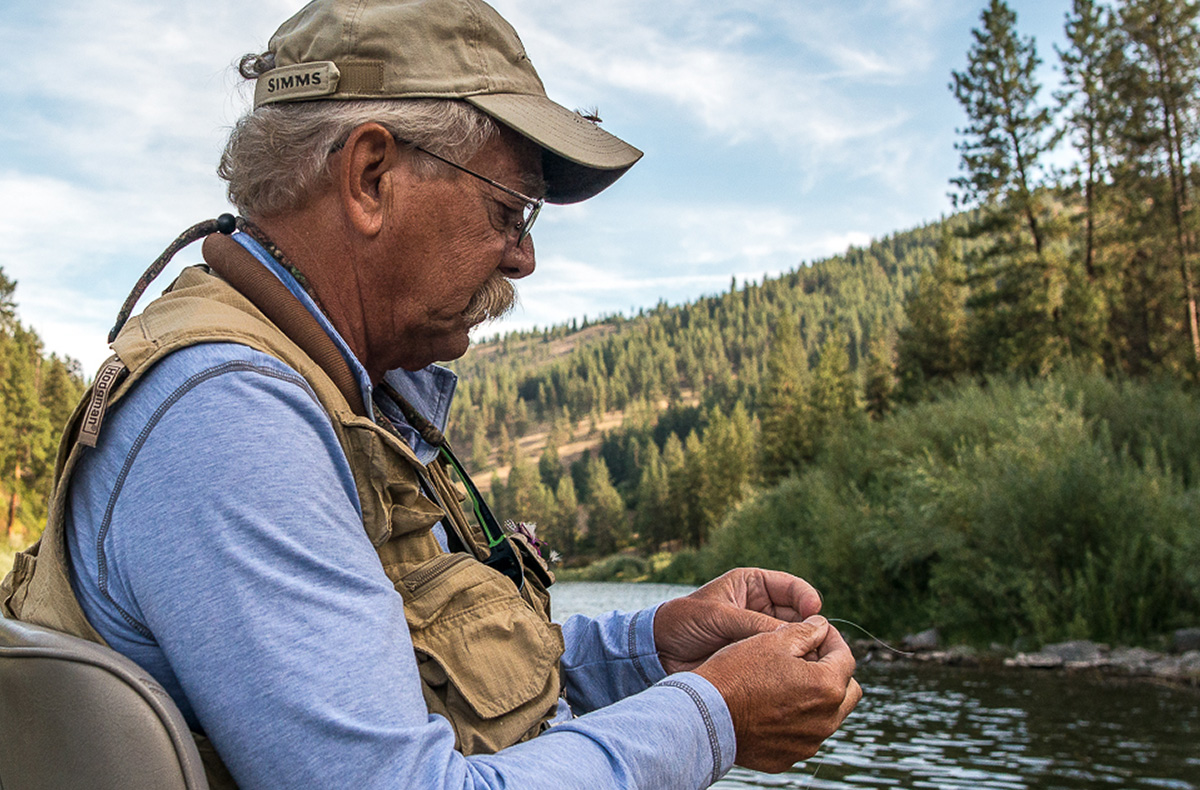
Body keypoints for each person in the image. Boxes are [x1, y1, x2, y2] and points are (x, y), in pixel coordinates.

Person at [1, 0, 861, 787]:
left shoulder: (337, 393)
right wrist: (712, 716)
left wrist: (654, 645)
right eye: (512, 210)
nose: (524, 257)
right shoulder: (230, 416)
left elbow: (425, 671)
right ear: (371, 176)